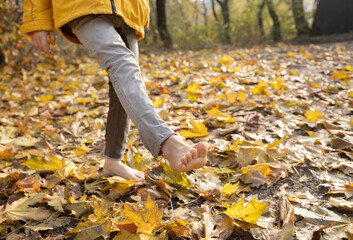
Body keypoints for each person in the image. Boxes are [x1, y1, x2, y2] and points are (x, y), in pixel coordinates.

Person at [20, 0, 208, 181]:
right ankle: (165, 141)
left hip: (128, 9)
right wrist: (37, 20)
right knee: (123, 65)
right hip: (82, 6)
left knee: (123, 83)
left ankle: (112, 160)